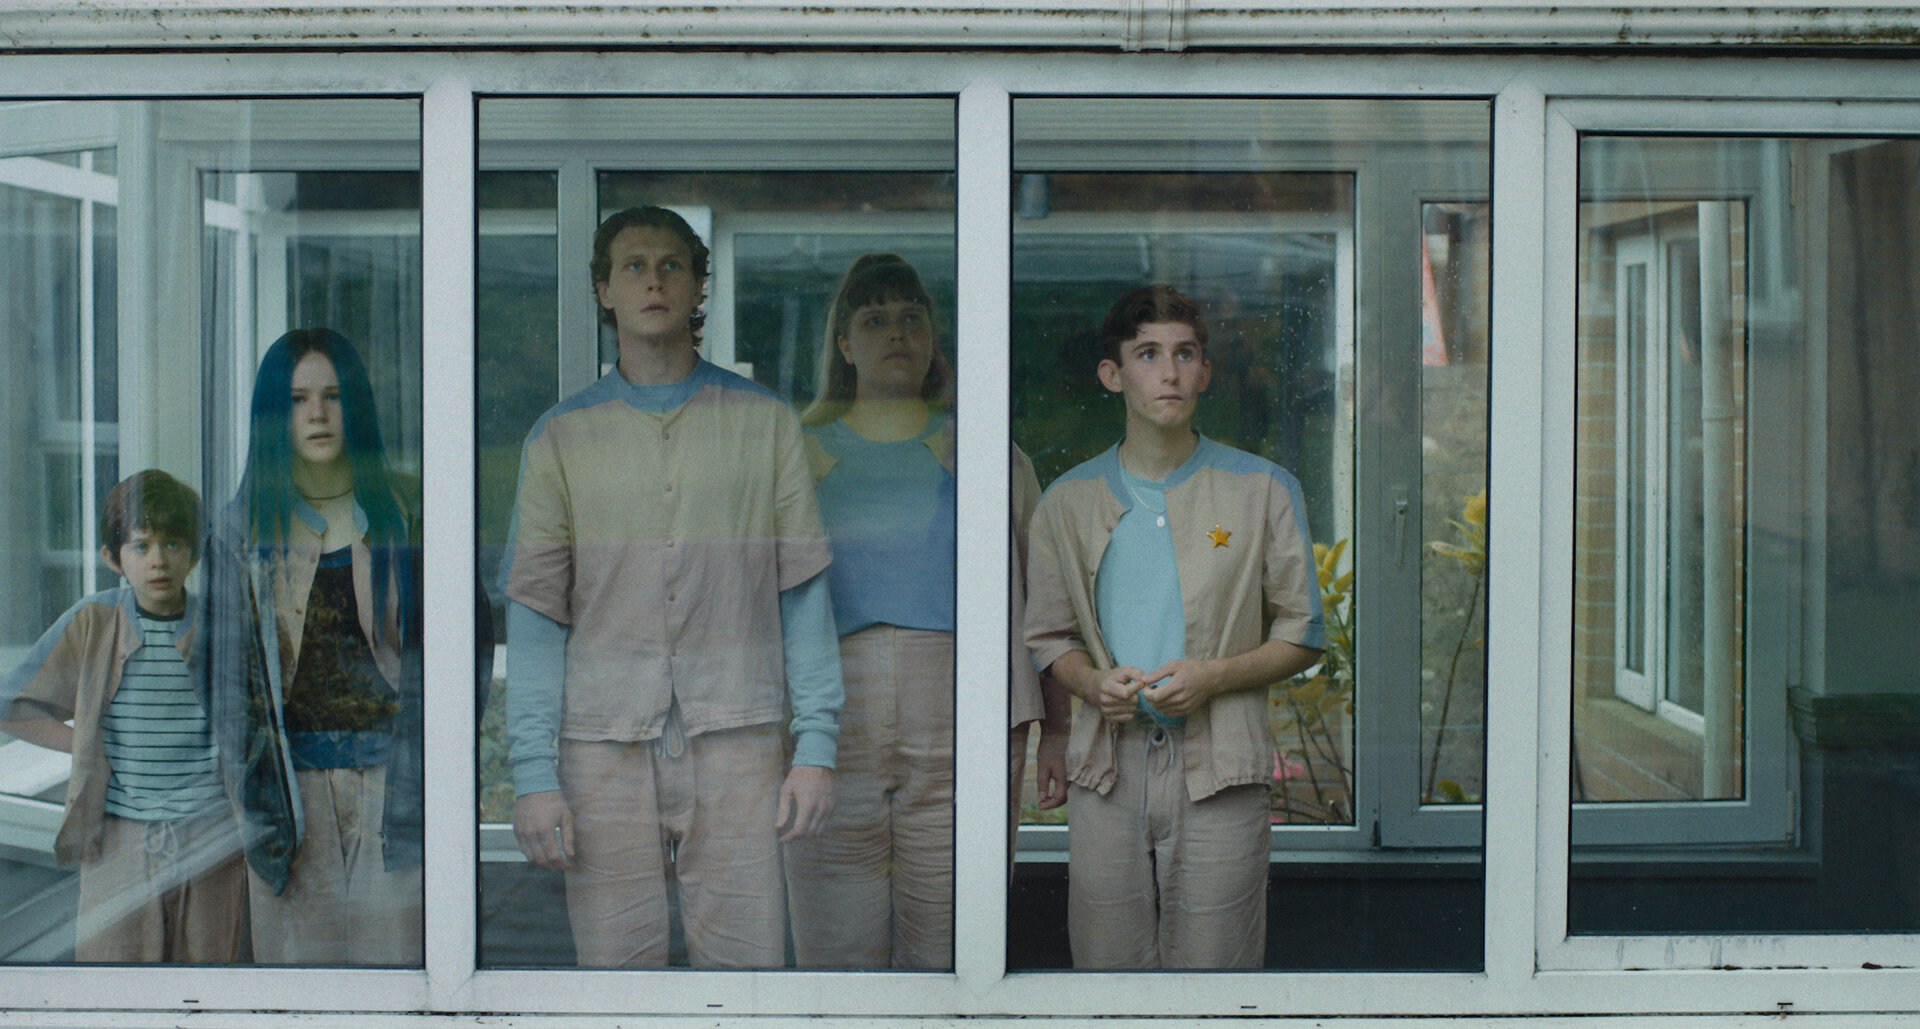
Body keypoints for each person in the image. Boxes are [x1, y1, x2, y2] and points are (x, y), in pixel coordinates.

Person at [501, 205, 841, 968]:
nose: (653, 281)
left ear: (697, 288)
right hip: (602, 742)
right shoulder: (560, 436)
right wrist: (532, 774)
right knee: (615, 974)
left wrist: (816, 744)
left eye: (671, 266)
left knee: (746, 974)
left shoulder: (765, 424)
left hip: (740, 730)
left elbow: (803, 595)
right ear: (603, 290)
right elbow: (535, 614)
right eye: (633, 266)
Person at [1023, 285, 1325, 969]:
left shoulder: (1263, 488)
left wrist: (1213, 676)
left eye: (1186, 354)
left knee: (1217, 970)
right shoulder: (1068, 501)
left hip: (1222, 763)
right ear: (1112, 375)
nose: (1170, 372)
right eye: (1149, 354)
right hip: (1108, 766)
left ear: (1206, 372)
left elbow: (1303, 630)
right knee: (1106, 967)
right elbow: (1049, 636)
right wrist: (1092, 683)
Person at [203, 327, 424, 965]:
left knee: (403, 978)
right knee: (301, 987)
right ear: (275, 415)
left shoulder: (408, 510)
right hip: (288, 799)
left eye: (333, 396)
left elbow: (464, 649)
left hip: (396, 789)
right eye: (299, 400)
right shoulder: (240, 530)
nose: (318, 414)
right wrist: (251, 796)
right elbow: (225, 682)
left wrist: (434, 766)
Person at [784, 254, 959, 967]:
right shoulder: (798, 451)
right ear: (845, 344)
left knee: (950, 938)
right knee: (835, 940)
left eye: (912, 317)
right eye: (876, 319)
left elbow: (1032, 592)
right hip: (830, 704)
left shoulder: (978, 449)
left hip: (952, 702)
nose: (897, 333)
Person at [0, 470, 246, 963]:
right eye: (141, 545)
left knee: (210, 976)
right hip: (121, 837)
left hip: (211, 837)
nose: (158, 560)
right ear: (114, 558)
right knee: (114, 975)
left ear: (194, 552)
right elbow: (13, 706)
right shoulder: (94, 621)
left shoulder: (222, 625)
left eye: (173, 543)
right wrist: (84, 743)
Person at [1008, 444, 1069, 866]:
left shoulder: (999, 454)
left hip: (994, 711)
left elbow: (1045, 600)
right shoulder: (813, 441)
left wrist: (1057, 733)